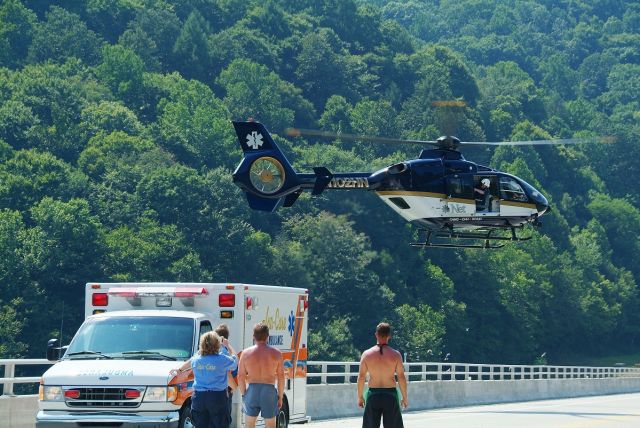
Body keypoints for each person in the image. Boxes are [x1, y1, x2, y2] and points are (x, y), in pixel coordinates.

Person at [171, 331, 237, 428]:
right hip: (217, 397)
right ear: (217, 344)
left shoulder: (196, 359)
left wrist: (180, 369)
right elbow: (235, 362)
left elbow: (191, 360)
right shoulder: (222, 359)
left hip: (199, 397)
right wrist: (228, 345)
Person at [357, 322, 408, 428]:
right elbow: (401, 377)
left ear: (376, 334)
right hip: (390, 395)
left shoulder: (366, 354)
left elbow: (361, 377)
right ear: (389, 336)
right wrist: (404, 397)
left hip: (373, 395)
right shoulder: (396, 355)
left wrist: (360, 397)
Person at [237, 322, 285, 428]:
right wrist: (280, 396)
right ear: (268, 337)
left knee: (249, 424)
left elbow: (240, 376)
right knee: (270, 425)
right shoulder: (277, 353)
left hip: (252, 390)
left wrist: (244, 394)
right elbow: (281, 377)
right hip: (269, 390)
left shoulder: (245, 353)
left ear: (254, 337)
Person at [215, 323, 238, 423]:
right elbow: (234, 367)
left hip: (211, 393)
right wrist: (233, 387)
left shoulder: (211, 351)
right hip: (225, 392)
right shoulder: (227, 353)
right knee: (224, 420)